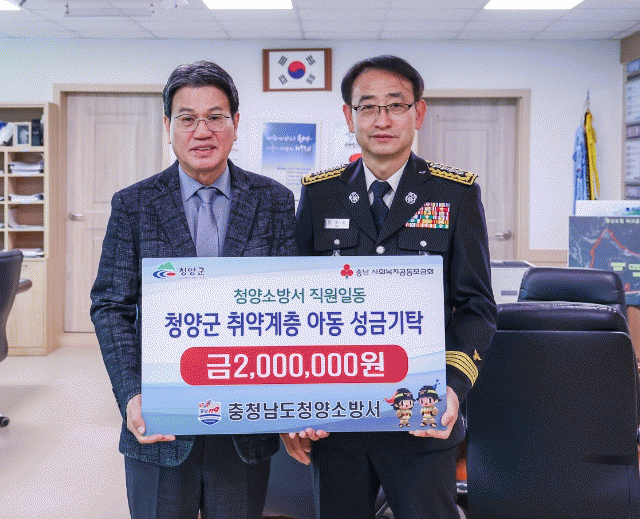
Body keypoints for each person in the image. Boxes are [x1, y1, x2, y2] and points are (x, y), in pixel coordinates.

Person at [283, 55, 497, 519]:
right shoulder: (319, 194)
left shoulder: (455, 194)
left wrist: (453, 387)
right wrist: (294, 404)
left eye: (396, 105)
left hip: (421, 417)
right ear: (349, 116)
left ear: (418, 112)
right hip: (335, 420)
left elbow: (476, 307)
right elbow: (293, 308)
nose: (382, 120)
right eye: (368, 107)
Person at [90, 60, 297, 519]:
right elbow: (110, 305)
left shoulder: (274, 201)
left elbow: (292, 310)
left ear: (236, 123)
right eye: (187, 118)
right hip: (159, 419)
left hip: (245, 422)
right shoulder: (134, 204)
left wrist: (293, 404)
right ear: (168, 126)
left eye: (215, 117)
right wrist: (131, 393)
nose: (202, 131)